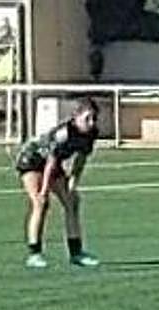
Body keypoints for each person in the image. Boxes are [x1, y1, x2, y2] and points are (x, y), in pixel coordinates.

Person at [14, 97, 100, 269]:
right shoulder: (64, 134)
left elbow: (80, 159)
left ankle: (76, 253)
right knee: (40, 203)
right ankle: (34, 254)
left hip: (52, 164)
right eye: (87, 118)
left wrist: (73, 183)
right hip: (32, 160)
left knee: (72, 202)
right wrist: (44, 190)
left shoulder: (91, 133)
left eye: (94, 118)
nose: (91, 123)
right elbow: (50, 163)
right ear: (76, 117)